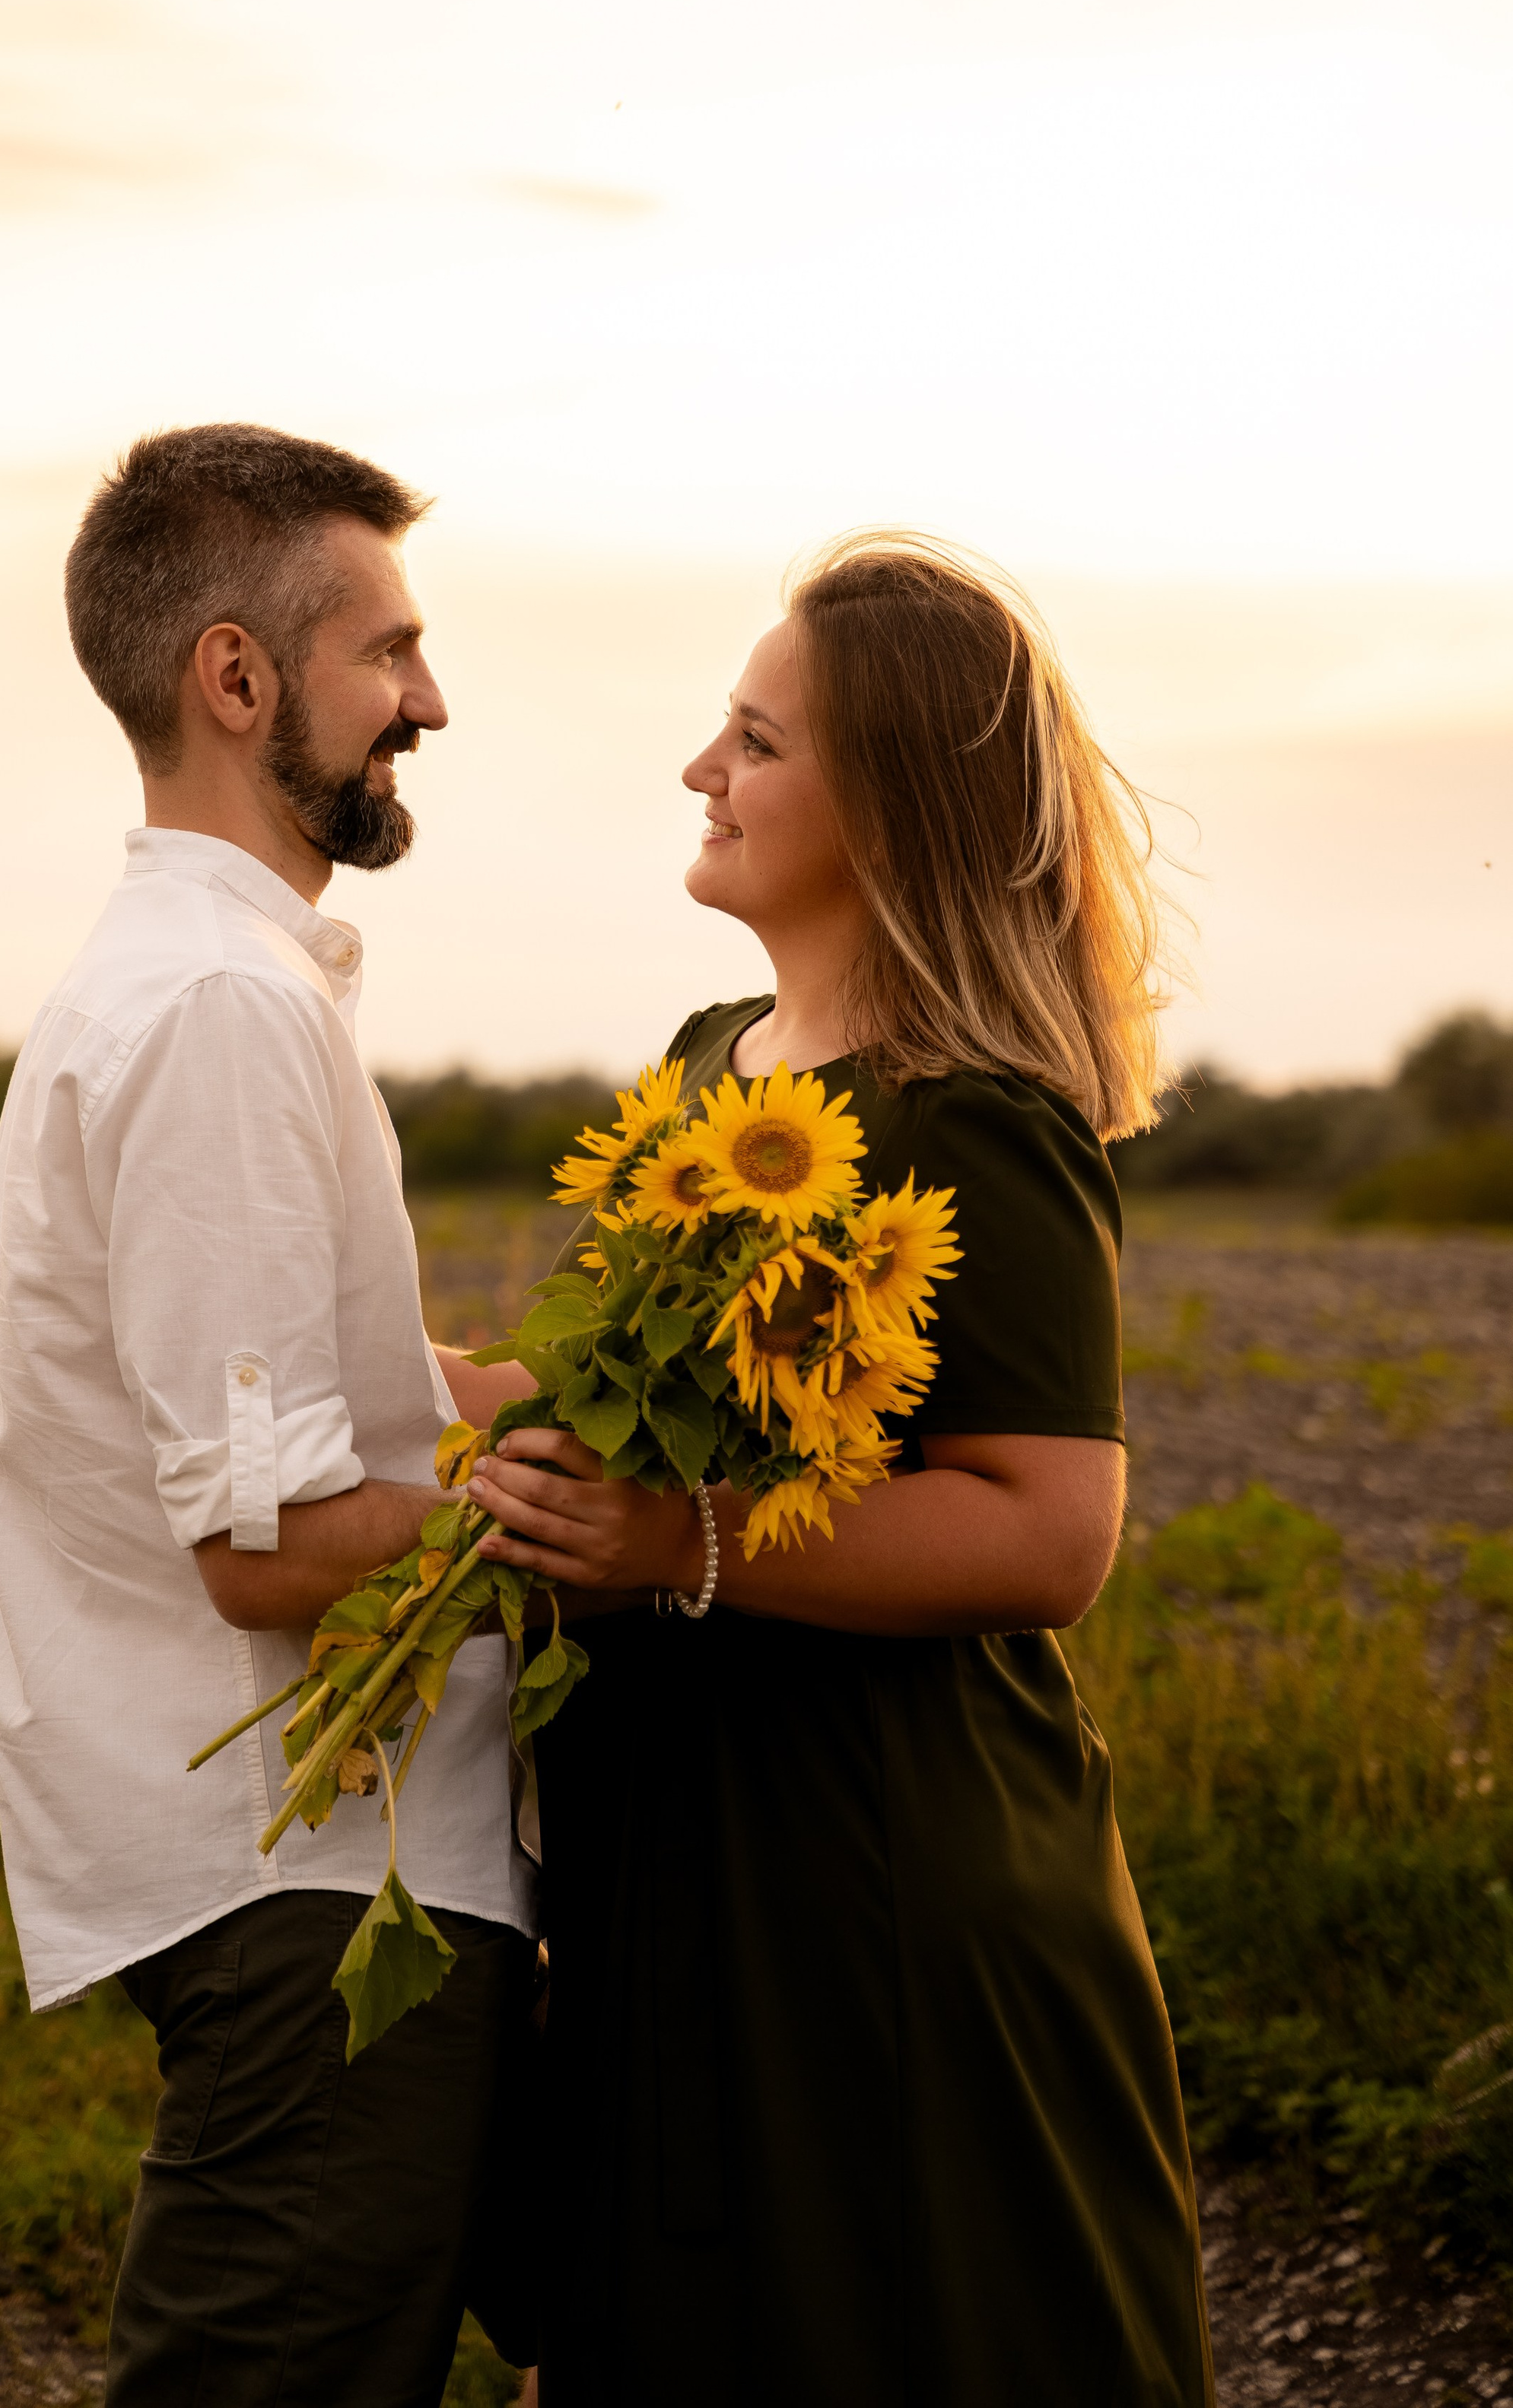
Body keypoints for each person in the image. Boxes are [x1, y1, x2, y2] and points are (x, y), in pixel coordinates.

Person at [465, 532, 1216, 2407]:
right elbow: (570, 1393)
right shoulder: (710, 1061)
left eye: (752, 739)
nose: (699, 771)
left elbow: (1051, 1529)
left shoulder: (976, 1116)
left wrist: (674, 1542)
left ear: (883, 801)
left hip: (878, 1862)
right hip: (677, 1852)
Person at [0, 424, 539, 2408]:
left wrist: (557, 1387)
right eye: (387, 651)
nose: (429, 702)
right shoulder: (216, 1009)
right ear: (237, 678)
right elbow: (268, 1545)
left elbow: (301, 1413)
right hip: (305, 1889)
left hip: (307, 1874)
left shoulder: (221, 986)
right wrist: (599, 1518)